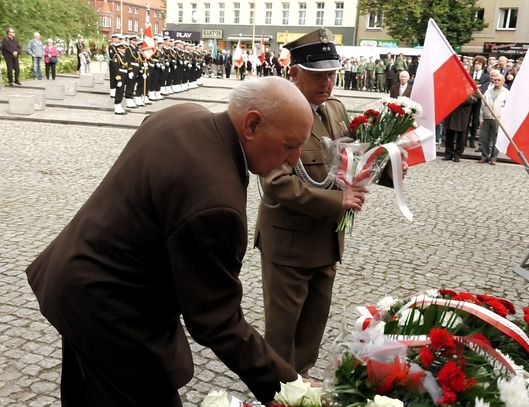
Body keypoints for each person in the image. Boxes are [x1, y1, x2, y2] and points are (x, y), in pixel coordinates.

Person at [24, 76, 313, 407]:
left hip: (77, 283)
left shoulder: (182, 114)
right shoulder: (216, 202)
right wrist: (291, 390)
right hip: (109, 313)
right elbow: (216, 319)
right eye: (290, 145)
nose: (294, 159)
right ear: (252, 124)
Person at [255, 28, 399, 378]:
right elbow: (276, 183)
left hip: (328, 239)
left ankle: (299, 381)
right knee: (283, 328)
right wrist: (339, 200)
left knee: (314, 321)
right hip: (289, 241)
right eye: (318, 74)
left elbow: (354, 159)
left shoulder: (334, 110)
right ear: (295, 73)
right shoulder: (277, 113)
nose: (327, 82)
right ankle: (274, 389)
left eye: (331, 73)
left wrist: (389, 166)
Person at [479, 72, 509, 165]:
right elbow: (482, 105)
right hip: (487, 117)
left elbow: (508, 107)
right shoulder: (488, 91)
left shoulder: (507, 93)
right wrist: (481, 118)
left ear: (503, 81)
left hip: (498, 118)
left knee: (496, 138)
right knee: (484, 138)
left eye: (499, 80)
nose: (496, 81)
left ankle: (493, 157)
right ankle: (484, 156)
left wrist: (505, 120)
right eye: (495, 80)